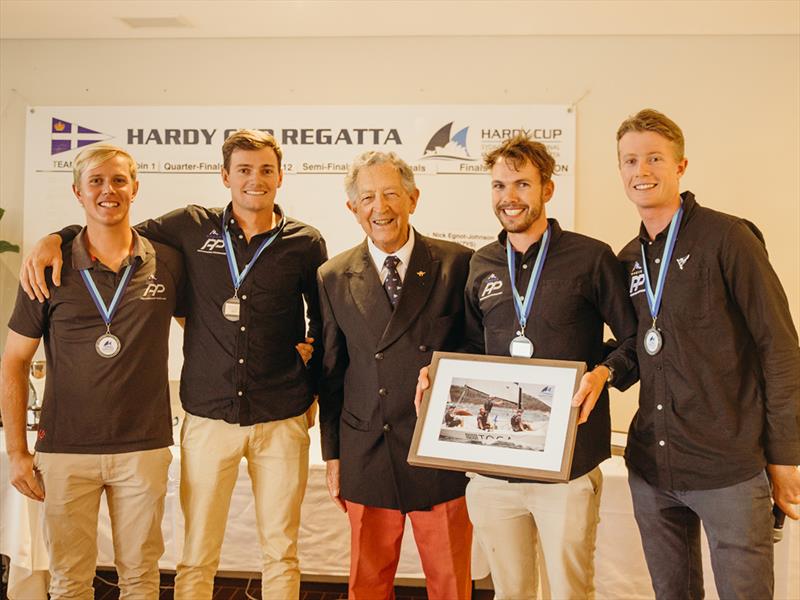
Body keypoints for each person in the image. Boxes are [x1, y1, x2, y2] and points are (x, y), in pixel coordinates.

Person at [18, 130, 327, 600]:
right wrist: (55, 237)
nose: (255, 180)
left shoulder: (306, 242)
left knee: (281, 552)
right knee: (196, 554)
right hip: (206, 415)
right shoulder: (189, 226)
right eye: (243, 169)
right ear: (225, 176)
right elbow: (111, 224)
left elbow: (323, 326)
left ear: (281, 176)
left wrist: (311, 386)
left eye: (266, 170)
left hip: (281, 413)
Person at [418, 133, 638, 599]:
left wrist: (605, 372)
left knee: (569, 591)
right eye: (499, 186)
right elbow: (471, 348)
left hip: (568, 466)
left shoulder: (590, 257)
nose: (509, 198)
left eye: (521, 184)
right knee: (510, 592)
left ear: (547, 189)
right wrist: (440, 379)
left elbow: (635, 341)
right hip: (494, 469)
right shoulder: (482, 264)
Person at [615, 108, 800, 599]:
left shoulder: (728, 237)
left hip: (730, 467)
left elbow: (779, 347)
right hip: (652, 468)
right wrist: (593, 375)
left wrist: (784, 456)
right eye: (630, 160)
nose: (642, 170)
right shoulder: (628, 260)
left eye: (655, 158)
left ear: (681, 166)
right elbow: (636, 349)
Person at [1, 145, 184, 598]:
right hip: (65, 450)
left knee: (141, 578)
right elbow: (14, 361)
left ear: (135, 188)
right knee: (69, 581)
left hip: (143, 447)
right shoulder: (47, 267)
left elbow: (210, 331)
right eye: (96, 182)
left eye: (119, 181)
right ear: (78, 192)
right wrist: (18, 452)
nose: (108, 191)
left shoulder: (168, 261)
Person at [317, 151, 473, 600]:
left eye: (390, 194)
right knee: (367, 584)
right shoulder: (332, 275)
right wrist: (334, 455)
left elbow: (477, 351)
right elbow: (331, 372)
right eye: (367, 197)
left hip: (439, 451)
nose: (380, 208)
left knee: (450, 584)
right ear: (353, 208)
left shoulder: (456, 264)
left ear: (413, 198)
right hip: (367, 448)